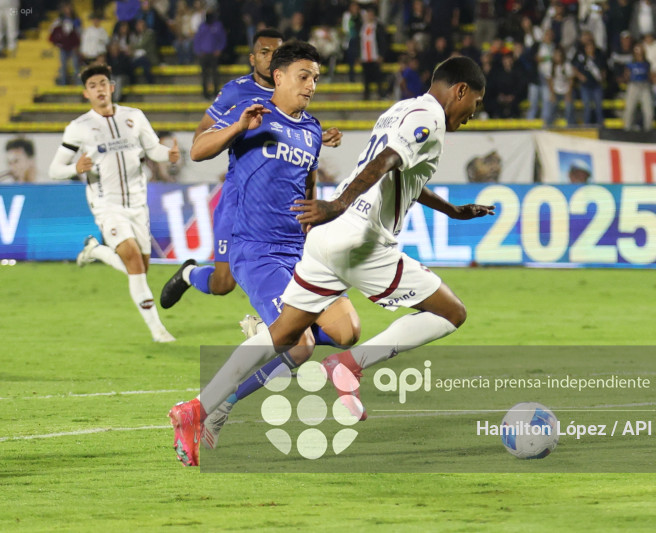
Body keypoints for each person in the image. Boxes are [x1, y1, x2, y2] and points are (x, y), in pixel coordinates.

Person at [168, 56, 494, 467]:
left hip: (325, 241)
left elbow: (404, 174)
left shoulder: (401, 109)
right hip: (362, 240)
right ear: (460, 90)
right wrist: (338, 204)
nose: (472, 114)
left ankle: (197, 409)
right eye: (475, 104)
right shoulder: (430, 118)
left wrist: (451, 211)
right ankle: (349, 366)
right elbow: (389, 160)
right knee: (452, 312)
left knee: (285, 334)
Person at [163, 38, 360, 451]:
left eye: (316, 79)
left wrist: (313, 219)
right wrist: (237, 127)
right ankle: (211, 408)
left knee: (347, 332)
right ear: (280, 75)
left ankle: (267, 332)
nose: (311, 86)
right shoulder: (253, 111)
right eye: (304, 77)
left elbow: (306, 180)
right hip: (257, 249)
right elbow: (198, 149)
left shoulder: (311, 129)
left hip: (299, 251)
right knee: (301, 345)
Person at [48, 64, 179, 342]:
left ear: (112, 87)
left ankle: (96, 251)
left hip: (137, 204)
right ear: (86, 93)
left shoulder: (135, 117)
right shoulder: (78, 128)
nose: (99, 89)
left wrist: (169, 154)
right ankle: (158, 330)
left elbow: (153, 148)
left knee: (141, 269)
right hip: (107, 204)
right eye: (93, 85)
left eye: (103, 83)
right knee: (132, 260)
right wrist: (76, 168)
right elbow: (54, 169)